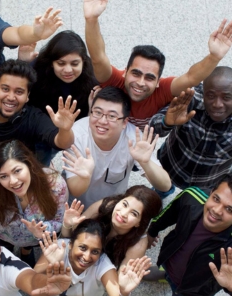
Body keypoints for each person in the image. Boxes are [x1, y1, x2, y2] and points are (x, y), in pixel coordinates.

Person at [83, 0, 232, 130]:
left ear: (158, 82)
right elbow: (98, 58)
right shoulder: (115, 80)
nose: (140, 83)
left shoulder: (162, 91)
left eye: (149, 78)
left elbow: (191, 77)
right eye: (136, 73)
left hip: (137, 149)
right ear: (125, 72)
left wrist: (214, 56)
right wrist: (91, 20)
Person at [137, 175, 232, 296]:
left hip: (192, 292)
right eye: (216, 199)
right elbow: (167, 215)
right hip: (170, 261)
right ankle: (166, 275)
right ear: (211, 192)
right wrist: (152, 232)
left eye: (229, 209)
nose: (217, 211)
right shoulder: (192, 197)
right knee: (168, 270)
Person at [0, 140, 68, 267]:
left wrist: (42, 230)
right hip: (3, 235)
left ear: (29, 165)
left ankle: (26, 251)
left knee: (29, 247)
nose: (13, 181)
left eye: (17, 171)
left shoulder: (55, 184)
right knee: (5, 251)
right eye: (3, 176)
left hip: (34, 238)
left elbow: (58, 221)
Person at [29, 219, 151, 296]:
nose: (87, 257)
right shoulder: (59, 247)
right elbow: (32, 278)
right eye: (82, 247)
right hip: (50, 294)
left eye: (95, 251)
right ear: (70, 244)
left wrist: (124, 292)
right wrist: (52, 263)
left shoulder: (103, 264)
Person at [62, 86, 171, 208]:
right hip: (74, 206)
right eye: (97, 112)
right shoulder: (76, 134)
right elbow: (75, 190)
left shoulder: (134, 138)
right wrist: (85, 177)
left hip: (111, 207)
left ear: (124, 122)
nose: (102, 121)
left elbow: (165, 186)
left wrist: (145, 163)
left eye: (112, 116)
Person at [150, 66, 232, 191]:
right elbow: (151, 128)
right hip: (170, 166)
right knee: (161, 189)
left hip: (206, 184)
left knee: (189, 207)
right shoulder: (189, 97)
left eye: (226, 97)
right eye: (210, 96)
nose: (217, 104)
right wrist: (167, 122)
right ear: (203, 91)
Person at [28, 30, 98, 165]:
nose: (68, 70)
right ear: (51, 62)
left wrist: (92, 109)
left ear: (83, 61)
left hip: (75, 129)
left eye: (74, 64)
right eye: (61, 63)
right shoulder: (36, 71)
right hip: (43, 130)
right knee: (40, 160)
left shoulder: (93, 79)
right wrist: (23, 60)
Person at [63, 186, 162, 269]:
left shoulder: (137, 244)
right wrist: (67, 224)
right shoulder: (105, 206)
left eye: (134, 214)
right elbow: (69, 237)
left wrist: (124, 288)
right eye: (124, 204)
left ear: (139, 223)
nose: (123, 213)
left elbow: (121, 281)